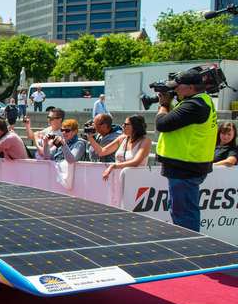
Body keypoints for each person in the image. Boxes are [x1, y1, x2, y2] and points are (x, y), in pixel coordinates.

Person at [155, 67, 219, 231]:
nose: (174, 89)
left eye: (177, 85)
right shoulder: (200, 100)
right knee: (180, 211)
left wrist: (163, 105)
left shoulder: (195, 105)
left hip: (185, 166)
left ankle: (189, 248)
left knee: (184, 214)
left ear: (191, 87)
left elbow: (162, 124)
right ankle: (186, 244)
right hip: (187, 165)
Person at [86, 115, 151, 180]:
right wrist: (90, 137)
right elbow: (102, 152)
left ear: (135, 127)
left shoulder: (145, 141)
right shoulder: (122, 138)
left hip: (135, 181)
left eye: (126, 124)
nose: (123, 126)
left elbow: (136, 162)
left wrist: (114, 166)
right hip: (118, 179)